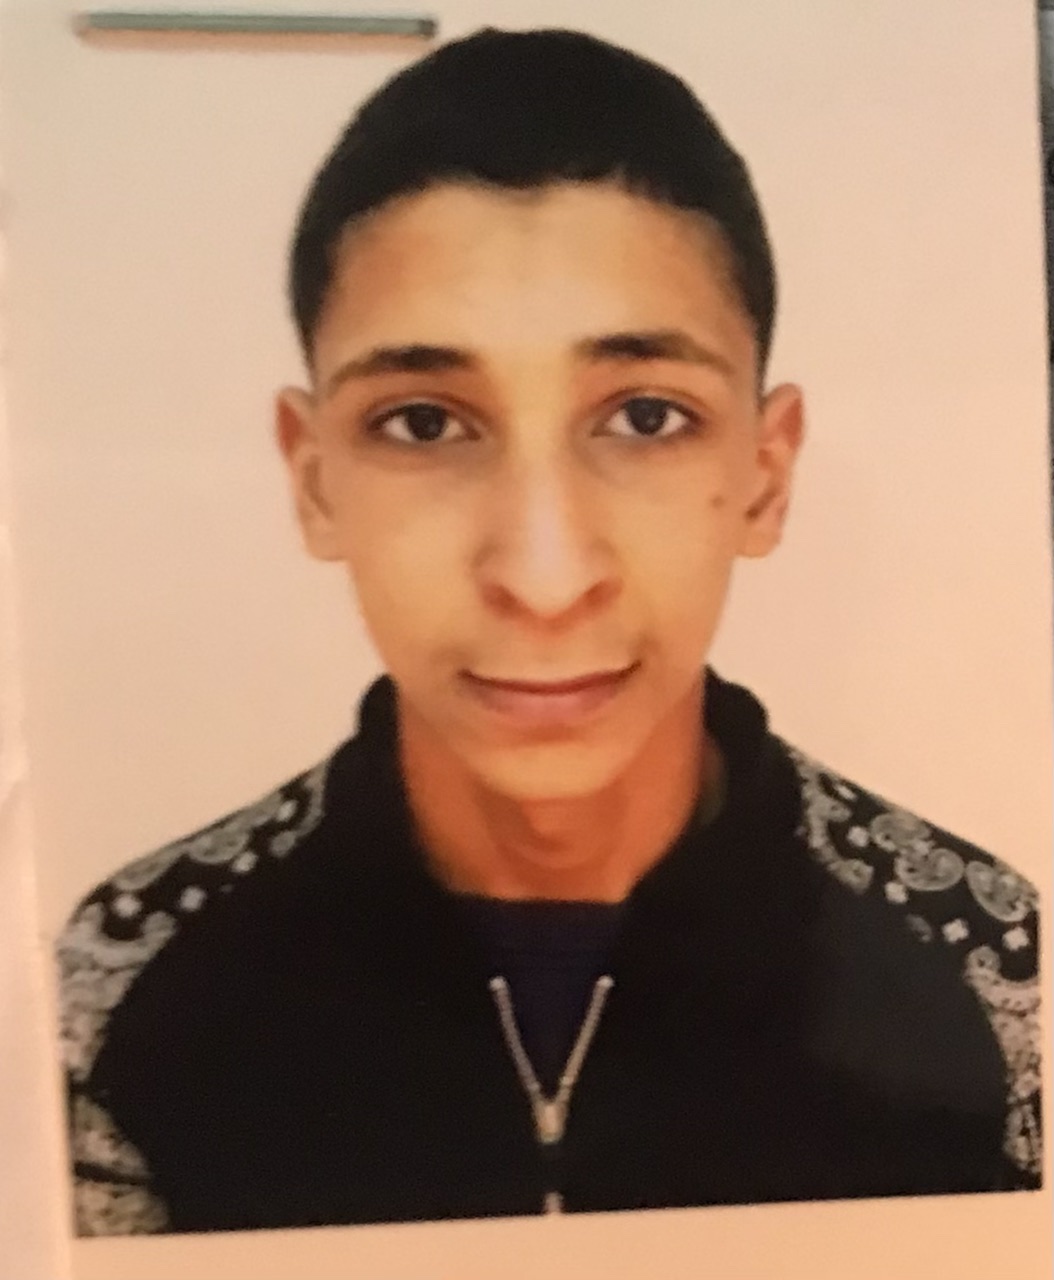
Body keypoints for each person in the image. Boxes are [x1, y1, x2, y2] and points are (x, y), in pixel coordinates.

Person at [57, 27, 1042, 1237]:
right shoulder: (123, 988)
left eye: (645, 416)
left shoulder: (994, 972)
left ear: (765, 473)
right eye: (424, 423)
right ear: (313, 480)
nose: (543, 575)